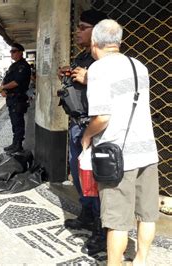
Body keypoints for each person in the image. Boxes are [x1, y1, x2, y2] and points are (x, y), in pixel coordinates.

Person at [82, 19, 159, 265]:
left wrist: (87, 135)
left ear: (95, 42)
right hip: (147, 150)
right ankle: (141, 260)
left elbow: (103, 117)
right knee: (147, 214)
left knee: (117, 222)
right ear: (119, 42)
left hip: (119, 156)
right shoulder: (140, 66)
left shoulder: (99, 69)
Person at [57, 9, 107, 256]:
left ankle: (101, 229)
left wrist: (90, 79)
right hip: (76, 124)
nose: (77, 31)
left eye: (83, 27)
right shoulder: (83, 56)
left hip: (93, 126)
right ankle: (87, 213)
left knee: (94, 180)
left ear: (97, 31)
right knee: (79, 176)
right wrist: (69, 74)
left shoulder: (105, 61)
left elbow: (112, 92)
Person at [0, 43, 31, 153]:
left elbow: (16, 82)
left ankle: (18, 144)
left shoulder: (23, 66)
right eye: (11, 51)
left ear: (21, 52)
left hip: (18, 98)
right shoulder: (13, 66)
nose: (11, 53)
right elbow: (6, 79)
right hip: (11, 99)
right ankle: (14, 143)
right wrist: (3, 89)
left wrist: (3, 87)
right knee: (14, 122)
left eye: (14, 51)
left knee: (18, 122)